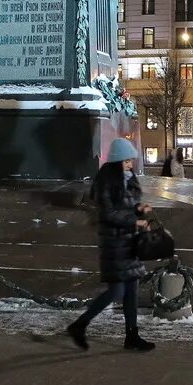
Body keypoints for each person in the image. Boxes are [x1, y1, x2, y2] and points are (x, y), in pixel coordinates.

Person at [66, 137, 155, 352]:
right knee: (116, 291)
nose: (130, 165)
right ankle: (79, 325)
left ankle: (132, 336)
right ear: (116, 162)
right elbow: (108, 213)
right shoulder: (107, 181)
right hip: (114, 243)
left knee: (132, 290)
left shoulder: (128, 179)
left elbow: (124, 209)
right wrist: (134, 220)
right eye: (126, 161)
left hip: (129, 241)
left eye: (130, 161)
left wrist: (138, 210)